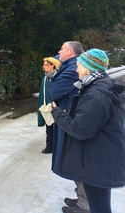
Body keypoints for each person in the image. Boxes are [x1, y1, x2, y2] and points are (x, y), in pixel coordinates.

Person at [51, 48, 125, 213]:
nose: (76, 69)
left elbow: (80, 130)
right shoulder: (99, 86)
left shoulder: (96, 93)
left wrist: (56, 113)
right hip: (100, 158)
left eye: (78, 65)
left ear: (88, 67)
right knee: (99, 205)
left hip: (98, 162)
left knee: (99, 207)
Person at [48, 41, 90, 213]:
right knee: (74, 160)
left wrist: (53, 81)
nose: (59, 51)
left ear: (71, 52)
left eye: (62, 49)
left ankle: (85, 204)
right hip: (69, 118)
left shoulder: (73, 66)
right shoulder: (70, 65)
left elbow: (53, 90)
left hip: (72, 120)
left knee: (78, 160)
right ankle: (82, 199)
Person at [37, 57, 60, 154]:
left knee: (56, 126)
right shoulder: (45, 77)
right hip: (47, 105)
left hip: (55, 105)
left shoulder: (56, 77)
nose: (44, 66)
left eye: (46, 64)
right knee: (49, 125)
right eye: (44, 64)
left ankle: (56, 146)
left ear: (52, 66)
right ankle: (49, 146)